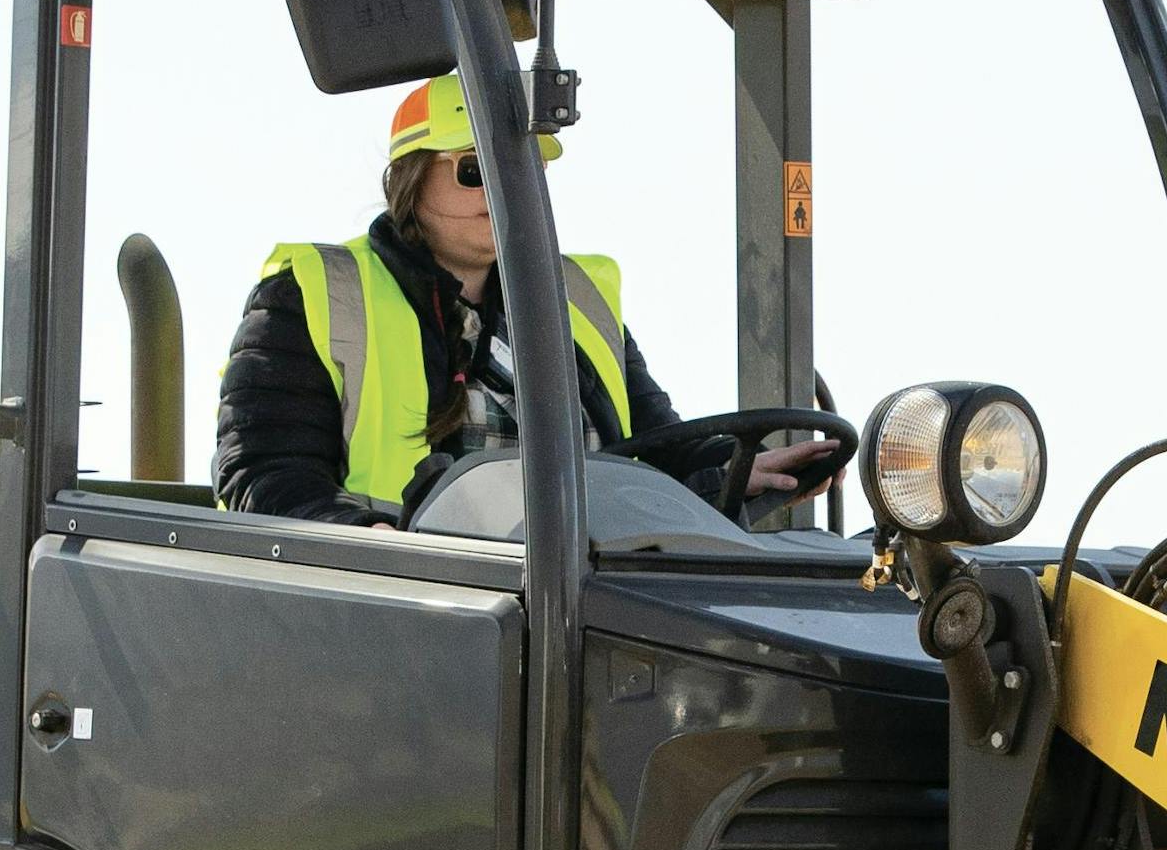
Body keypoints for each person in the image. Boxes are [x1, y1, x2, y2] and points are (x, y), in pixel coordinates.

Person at [213, 80, 836, 523]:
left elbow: (657, 452)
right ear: (410, 178)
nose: (502, 187)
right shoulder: (314, 298)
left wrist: (737, 471)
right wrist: (360, 539)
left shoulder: (579, 301)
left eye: (519, 168)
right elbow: (263, 478)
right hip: (401, 612)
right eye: (472, 168)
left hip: (589, 599)